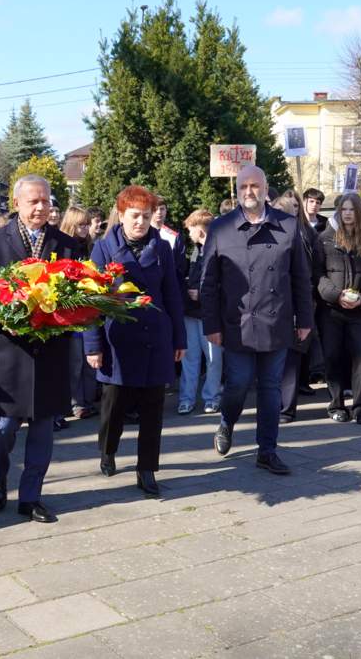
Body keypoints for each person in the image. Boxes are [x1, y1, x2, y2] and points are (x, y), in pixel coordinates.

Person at [0, 175, 80, 523]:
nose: (41, 207)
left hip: (50, 352)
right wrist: (5, 319)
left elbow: (80, 292)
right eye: (34, 201)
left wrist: (68, 314)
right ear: (16, 203)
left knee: (44, 428)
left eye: (46, 201)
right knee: (4, 427)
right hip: (10, 352)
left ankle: (31, 496)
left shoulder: (66, 245)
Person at [203, 166, 314, 475]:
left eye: (255, 186)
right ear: (237, 191)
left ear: (266, 190)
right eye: (243, 187)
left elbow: (300, 277)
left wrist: (305, 318)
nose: (249, 192)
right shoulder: (221, 228)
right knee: (237, 384)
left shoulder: (287, 225)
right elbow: (208, 282)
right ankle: (227, 421)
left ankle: (267, 450)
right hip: (236, 324)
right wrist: (211, 325)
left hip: (276, 323)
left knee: (270, 388)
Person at [85, 186, 185, 497]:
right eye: (134, 216)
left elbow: (172, 295)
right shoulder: (103, 249)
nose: (140, 222)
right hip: (119, 340)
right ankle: (108, 450)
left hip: (155, 337)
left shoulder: (162, 248)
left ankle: (147, 469)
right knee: (114, 406)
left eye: (146, 215)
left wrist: (179, 338)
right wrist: (93, 345)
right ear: (121, 215)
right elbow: (92, 300)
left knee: (153, 408)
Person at [317, 194, 361, 424]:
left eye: (352, 209)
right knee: (332, 356)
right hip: (331, 309)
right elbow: (317, 275)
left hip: (357, 310)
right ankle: (336, 404)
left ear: (359, 213)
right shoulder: (325, 239)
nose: (348, 213)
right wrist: (336, 295)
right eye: (344, 209)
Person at [270, 193, 323, 422]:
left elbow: (308, 272)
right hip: (271, 305)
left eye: (293, 209)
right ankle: (273, 405)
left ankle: (286, 408)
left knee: (291, 358)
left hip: (294, 302)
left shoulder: (304, 235)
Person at [178, 209, 222, 415]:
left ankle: (212, 397)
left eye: (190, 229)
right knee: (190, 358)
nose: (189, 234)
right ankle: (186, 398)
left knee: (213, 359)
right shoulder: (196, 251)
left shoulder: (219, 252)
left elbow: (225, 284)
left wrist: (201, 294)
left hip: (210, 314)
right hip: (191, 312)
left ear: (200, 230)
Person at [60, 206, 99, 420]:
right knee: (75, 362)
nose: (84, 228)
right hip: (72, 312)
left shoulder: (92, 247)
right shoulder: (65, 247)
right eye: (80, 225)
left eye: (86, 224)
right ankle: (75, 403)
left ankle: (88, 401)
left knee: (90, 360)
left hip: (90, 309)